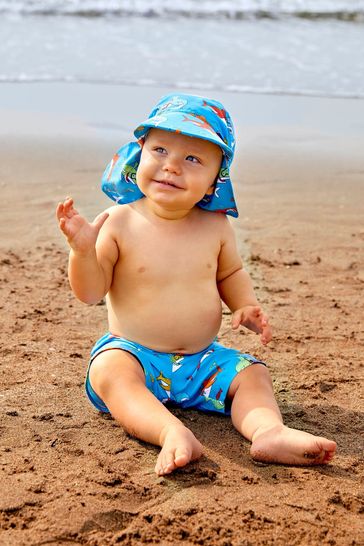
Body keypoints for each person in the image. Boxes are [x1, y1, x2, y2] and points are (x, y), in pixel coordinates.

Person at [56, 94, 336, 476]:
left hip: (202, 362)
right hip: (136, 355)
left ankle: (268, 432)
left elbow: (230, 274)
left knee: (252, 374)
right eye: (159, 149)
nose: (171, 166)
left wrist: (244, 305)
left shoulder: (216, 228)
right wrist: (83, 252)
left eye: (192, 159)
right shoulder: (118, 222)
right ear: (139, 154)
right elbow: (90, 292)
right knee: (109, 372)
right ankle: (170, 431)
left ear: (212, 183)